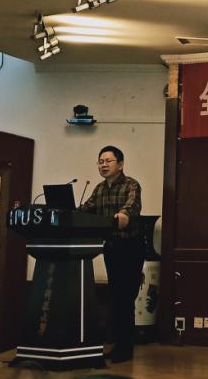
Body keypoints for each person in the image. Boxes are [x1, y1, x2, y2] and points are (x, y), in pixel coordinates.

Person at [80, 145, 143, 363]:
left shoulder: (131, 185)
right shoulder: (99, 188)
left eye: (108, 161)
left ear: (121, 164)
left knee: (125, 298)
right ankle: (117, 345)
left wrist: (119, 217)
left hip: (130, 247)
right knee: (115, 297)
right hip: (111, 248)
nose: (103, 165)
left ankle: (126, 349)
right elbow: (86, 210)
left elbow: (130, 209)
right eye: (100, 161)